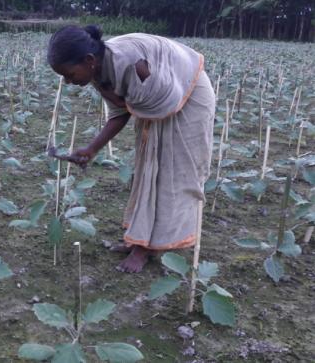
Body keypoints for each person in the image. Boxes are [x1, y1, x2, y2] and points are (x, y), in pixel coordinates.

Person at [47, 25, 215, 273]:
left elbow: (157, 100)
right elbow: (120, 111)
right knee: (149, 166)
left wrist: (119, 100)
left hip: (187, 95)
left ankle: (147, 248)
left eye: (70, 74)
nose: (69, 82)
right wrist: (92, 149)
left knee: (173, 171)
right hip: (159, 100)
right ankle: (142, 238)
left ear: (89, 60)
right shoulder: (98, 71)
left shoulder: (133, 64)